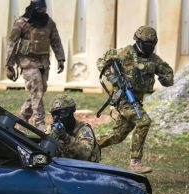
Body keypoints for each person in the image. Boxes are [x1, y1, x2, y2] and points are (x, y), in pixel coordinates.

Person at [96, 26, 174, 174]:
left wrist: (166, 79)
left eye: (153, 44)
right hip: (123, 99)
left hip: (136, 100)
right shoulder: (123, 53)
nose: (150, 47)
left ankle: (87, 146)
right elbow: (101, 61)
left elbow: (168, 73)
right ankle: (135, 162)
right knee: (143, 121)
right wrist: (111, 76)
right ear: (138, 42)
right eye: (147, 44)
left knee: (117, 136)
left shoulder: (154, 59)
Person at [6, 0, 65, 131]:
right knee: (37, 90)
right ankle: (39, 123)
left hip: (43, 62)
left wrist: (60, 58)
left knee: (40, 89)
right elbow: (12, 44)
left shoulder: (49, 23)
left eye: (44, 9)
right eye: (40, 10)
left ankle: (22, 117)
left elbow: (56, 40)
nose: (43, 12)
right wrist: (9, 65)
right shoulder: (21, 23)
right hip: (28, 62)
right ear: (33, 8)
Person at [49, 94, 101, 162]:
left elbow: (86, 153)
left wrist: (66, 138)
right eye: (55, 114)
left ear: (72, 111)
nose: (60, 117)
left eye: (63, 112)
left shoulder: (83, 129)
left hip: (84, 168)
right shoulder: (54, 130)